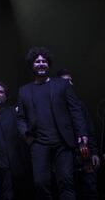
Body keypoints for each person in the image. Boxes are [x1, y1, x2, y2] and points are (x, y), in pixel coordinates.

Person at [17, 47, 88, 200]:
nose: (41, 64)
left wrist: (82, 133)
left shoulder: (62, 85)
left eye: (44, 61)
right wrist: (27, 137)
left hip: (63, 143)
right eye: (37, 61)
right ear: (32, 65)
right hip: (39, 144)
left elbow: (75, 110)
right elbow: (20, 118)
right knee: (40, 184)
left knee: (66, 183)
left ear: (48, 65)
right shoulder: (24, 91)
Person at [0, 82, 34, 200]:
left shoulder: (14, 112)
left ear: (6, 96)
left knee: (8, 196)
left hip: (9, 164)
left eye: (0, 92)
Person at [57, 68, 100, 200]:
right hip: (65, 157)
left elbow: (89, 130)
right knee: (69, 190)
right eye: (66, 81)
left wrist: (94, 152)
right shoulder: (55, 107)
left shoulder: (80, 105)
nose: (70, 83)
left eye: (71, 81)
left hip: (85, 154)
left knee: (90, 189)